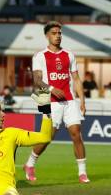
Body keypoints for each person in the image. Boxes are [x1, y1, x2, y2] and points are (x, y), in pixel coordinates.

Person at [23, 21, 90, 183]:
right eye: (54, 33)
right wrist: (52, 89)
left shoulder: (69, 55)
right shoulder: (40, 56)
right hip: (49, 100)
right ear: (47, 36)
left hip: (69, 100)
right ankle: (30, 164)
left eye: (59, 33)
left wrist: (82, 100)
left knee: (76, 133)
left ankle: (82, 172)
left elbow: (76, 79)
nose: (58, 36)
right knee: (47, 137)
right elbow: (37, 80)